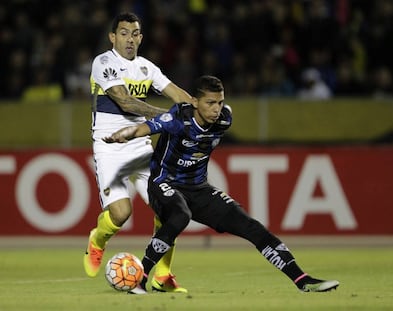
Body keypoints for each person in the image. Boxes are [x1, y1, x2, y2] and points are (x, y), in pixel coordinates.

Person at [103, 75, 340, 293]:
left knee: (251, 226)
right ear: (195, 102)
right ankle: (141, 278)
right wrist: (125, 134)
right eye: (210, 103)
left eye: (219, 102)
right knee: (180, 215)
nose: (216, 109)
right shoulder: (179, 118)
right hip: (164, 183)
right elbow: (148, 126)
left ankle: (301, 280)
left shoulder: (225, 119)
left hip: (198, 188)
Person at [84, 12, 193, 294]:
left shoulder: (146, 68)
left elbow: (177, 93)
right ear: (112, 37)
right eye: (123, 33)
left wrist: (199, 109)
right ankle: (97, 240)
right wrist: (167, 118)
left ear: (141, 38)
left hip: (142, 147)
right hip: (110, 147)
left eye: (134, 34)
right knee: (121, 214)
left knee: (170, 209)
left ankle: (163, 276)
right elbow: (125, 101)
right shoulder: (104, 62)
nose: (129, 39)